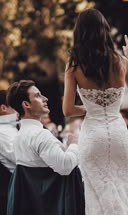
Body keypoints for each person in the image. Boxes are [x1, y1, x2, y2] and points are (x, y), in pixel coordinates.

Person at [63, 8, 128, 215]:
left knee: (98, 195)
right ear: (105, 31)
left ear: (80, 33)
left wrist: (89, 109)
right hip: (119, 134)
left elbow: (67, 110)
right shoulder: (120, 61)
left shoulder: (74, 65)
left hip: (92, 136)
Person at [6, 80, 85, 215]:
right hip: (52, 204)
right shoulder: (40, 135)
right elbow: (65, 166)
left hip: (33, 205)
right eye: (38, 96)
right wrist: (74, 144)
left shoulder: (19, 135)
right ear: (26, 104)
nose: (45, 98)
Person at [0, 90, 18, 215]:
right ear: (3, 108)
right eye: (14, 105)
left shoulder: (10, 128)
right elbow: (22, 159)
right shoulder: (3, 132)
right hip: (14, 189)